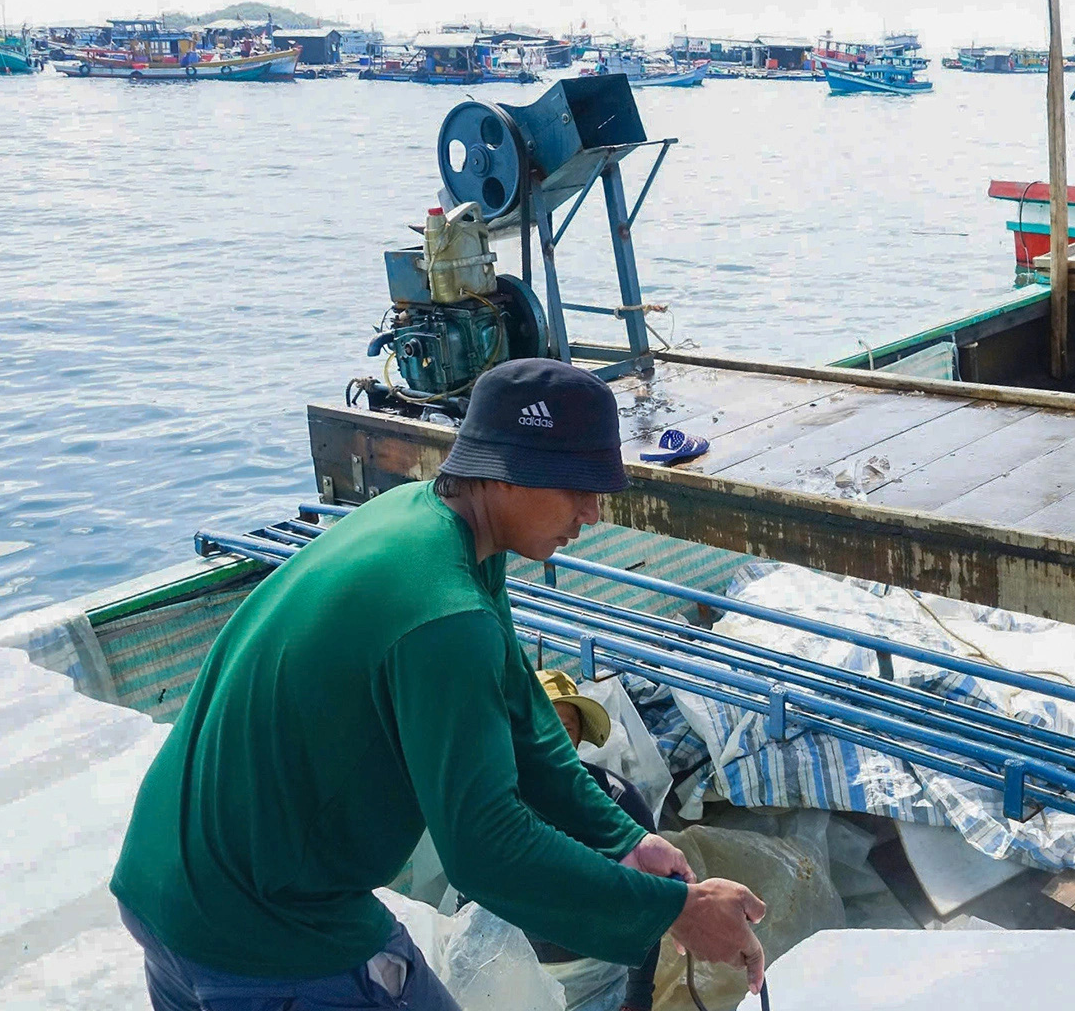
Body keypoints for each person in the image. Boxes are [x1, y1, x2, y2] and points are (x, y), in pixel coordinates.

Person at [112, 358, 767, 1011]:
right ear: (504, 474)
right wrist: (673, 911)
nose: (593, 513)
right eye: (577, 486)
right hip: (266, 930)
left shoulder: (429, 522)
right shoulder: (448, 616)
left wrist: (624, 838)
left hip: (165, 878)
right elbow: (485, 850)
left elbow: (523, 719)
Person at [531, 668, 665, 1011]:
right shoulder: (500, 801)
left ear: (578, 737)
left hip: (600, 981)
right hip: (518, 974)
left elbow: (647, 905)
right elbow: (471, 898)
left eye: (566, 727)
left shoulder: (618, 800)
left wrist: (637, 996)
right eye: (543, 724)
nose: (555, 737)